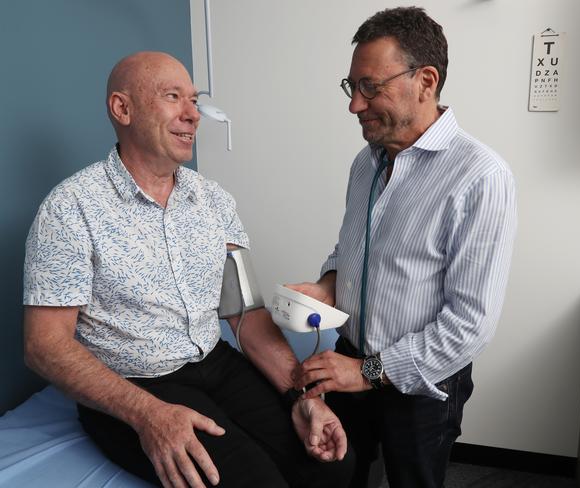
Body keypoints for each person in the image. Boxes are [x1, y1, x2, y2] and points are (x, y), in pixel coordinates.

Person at [23, 51, 353, 488]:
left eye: (194, 100)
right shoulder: (70, 209)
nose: (193, 114)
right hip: (135, 384)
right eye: (173, 97)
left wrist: (300, 396)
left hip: (214, 362)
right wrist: (148, 416)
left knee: (331, 467)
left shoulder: (214, 200)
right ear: (123, 109)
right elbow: (43, 346)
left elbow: (245, 313)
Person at [290, 7, 517, 488]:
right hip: (349, 360)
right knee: (340, 473)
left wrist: (367, 372)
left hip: (421, 387)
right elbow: (351, 248)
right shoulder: (365, 162)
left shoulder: (481, 176)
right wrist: (328, 284)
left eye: (370, 87)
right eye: (351, 87)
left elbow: (470, 325)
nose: (355, 105)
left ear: (426, 81)